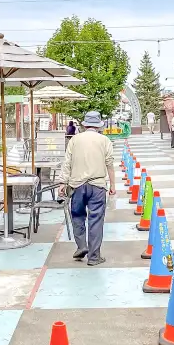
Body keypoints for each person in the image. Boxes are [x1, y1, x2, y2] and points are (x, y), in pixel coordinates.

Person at [59, 111, 116, 266]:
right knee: (96, 220)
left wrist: (62, 183)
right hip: (97, 186)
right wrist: (113, 185)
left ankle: (81, 246)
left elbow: (67, 163)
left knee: (77, 215)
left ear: (84, 124)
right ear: (99, 125)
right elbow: (109, 164)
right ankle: (94, 257)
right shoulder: (105, 140)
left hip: (76, 185)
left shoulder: (74, 140)